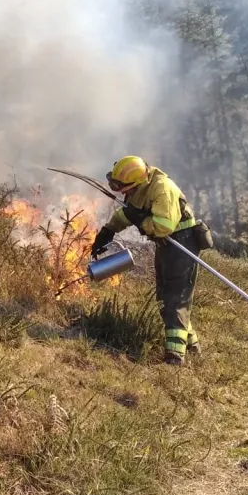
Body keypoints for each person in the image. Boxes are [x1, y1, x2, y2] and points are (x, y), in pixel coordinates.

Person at [91, 156, 201, 366]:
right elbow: (127, 213)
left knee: (175, 298)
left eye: (124, 188)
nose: (123, 192)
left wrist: (140, 218)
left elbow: (163, 227)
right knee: (164, 296)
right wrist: (108, 231)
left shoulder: (162, 189)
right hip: (166, 245)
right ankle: (193, 347)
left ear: (137, 183)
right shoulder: (140, 189)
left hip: (182, 243)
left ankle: (175, 358)